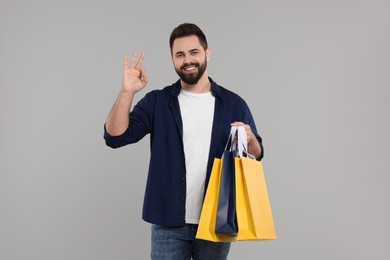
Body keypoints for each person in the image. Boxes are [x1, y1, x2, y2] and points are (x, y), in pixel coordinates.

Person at [104, 23, 264, 260]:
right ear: (172, 60)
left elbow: (258, 154)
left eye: (194, 52)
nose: (187, 60)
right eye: (180, 54)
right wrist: (127, 92)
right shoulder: (157, 102)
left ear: (207, 54)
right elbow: (114, 137)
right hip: (168, 222)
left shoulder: (233, 104)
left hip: (217, 222)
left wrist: (250, 139)